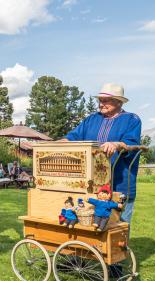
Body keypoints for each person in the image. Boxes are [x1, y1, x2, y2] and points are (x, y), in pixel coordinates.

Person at [62, 83, 141, 225]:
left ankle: (120, 248)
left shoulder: (131, 119)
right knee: (92, 225)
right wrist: (57, 143)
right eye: (100, 100)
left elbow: (131, 142)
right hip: (91, 186)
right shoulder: (91, 119)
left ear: (118, 102)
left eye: (106, 100)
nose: (101, 104)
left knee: (119, 228)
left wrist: (116, 144)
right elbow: (72, 137)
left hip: (120, 184)